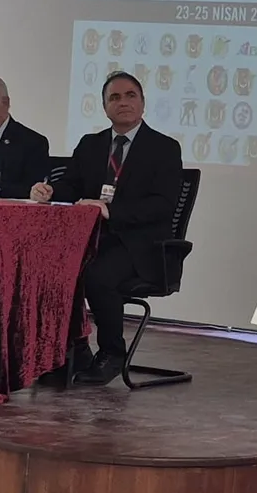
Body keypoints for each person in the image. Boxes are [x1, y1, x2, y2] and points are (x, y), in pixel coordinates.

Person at [31, 71, 182, 386]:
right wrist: (50, 191)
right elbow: (71, 185)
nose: (123, 102)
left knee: (97, 275)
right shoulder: (91, 144)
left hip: (140, 246)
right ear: (104, 107)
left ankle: (113, 353)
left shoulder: (164, 148)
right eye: (114, 97)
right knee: (50, 268)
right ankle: (72, 351)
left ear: (143, 103)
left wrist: (111, 211)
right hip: (91, 238)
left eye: (130, 95)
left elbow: (163, 205)